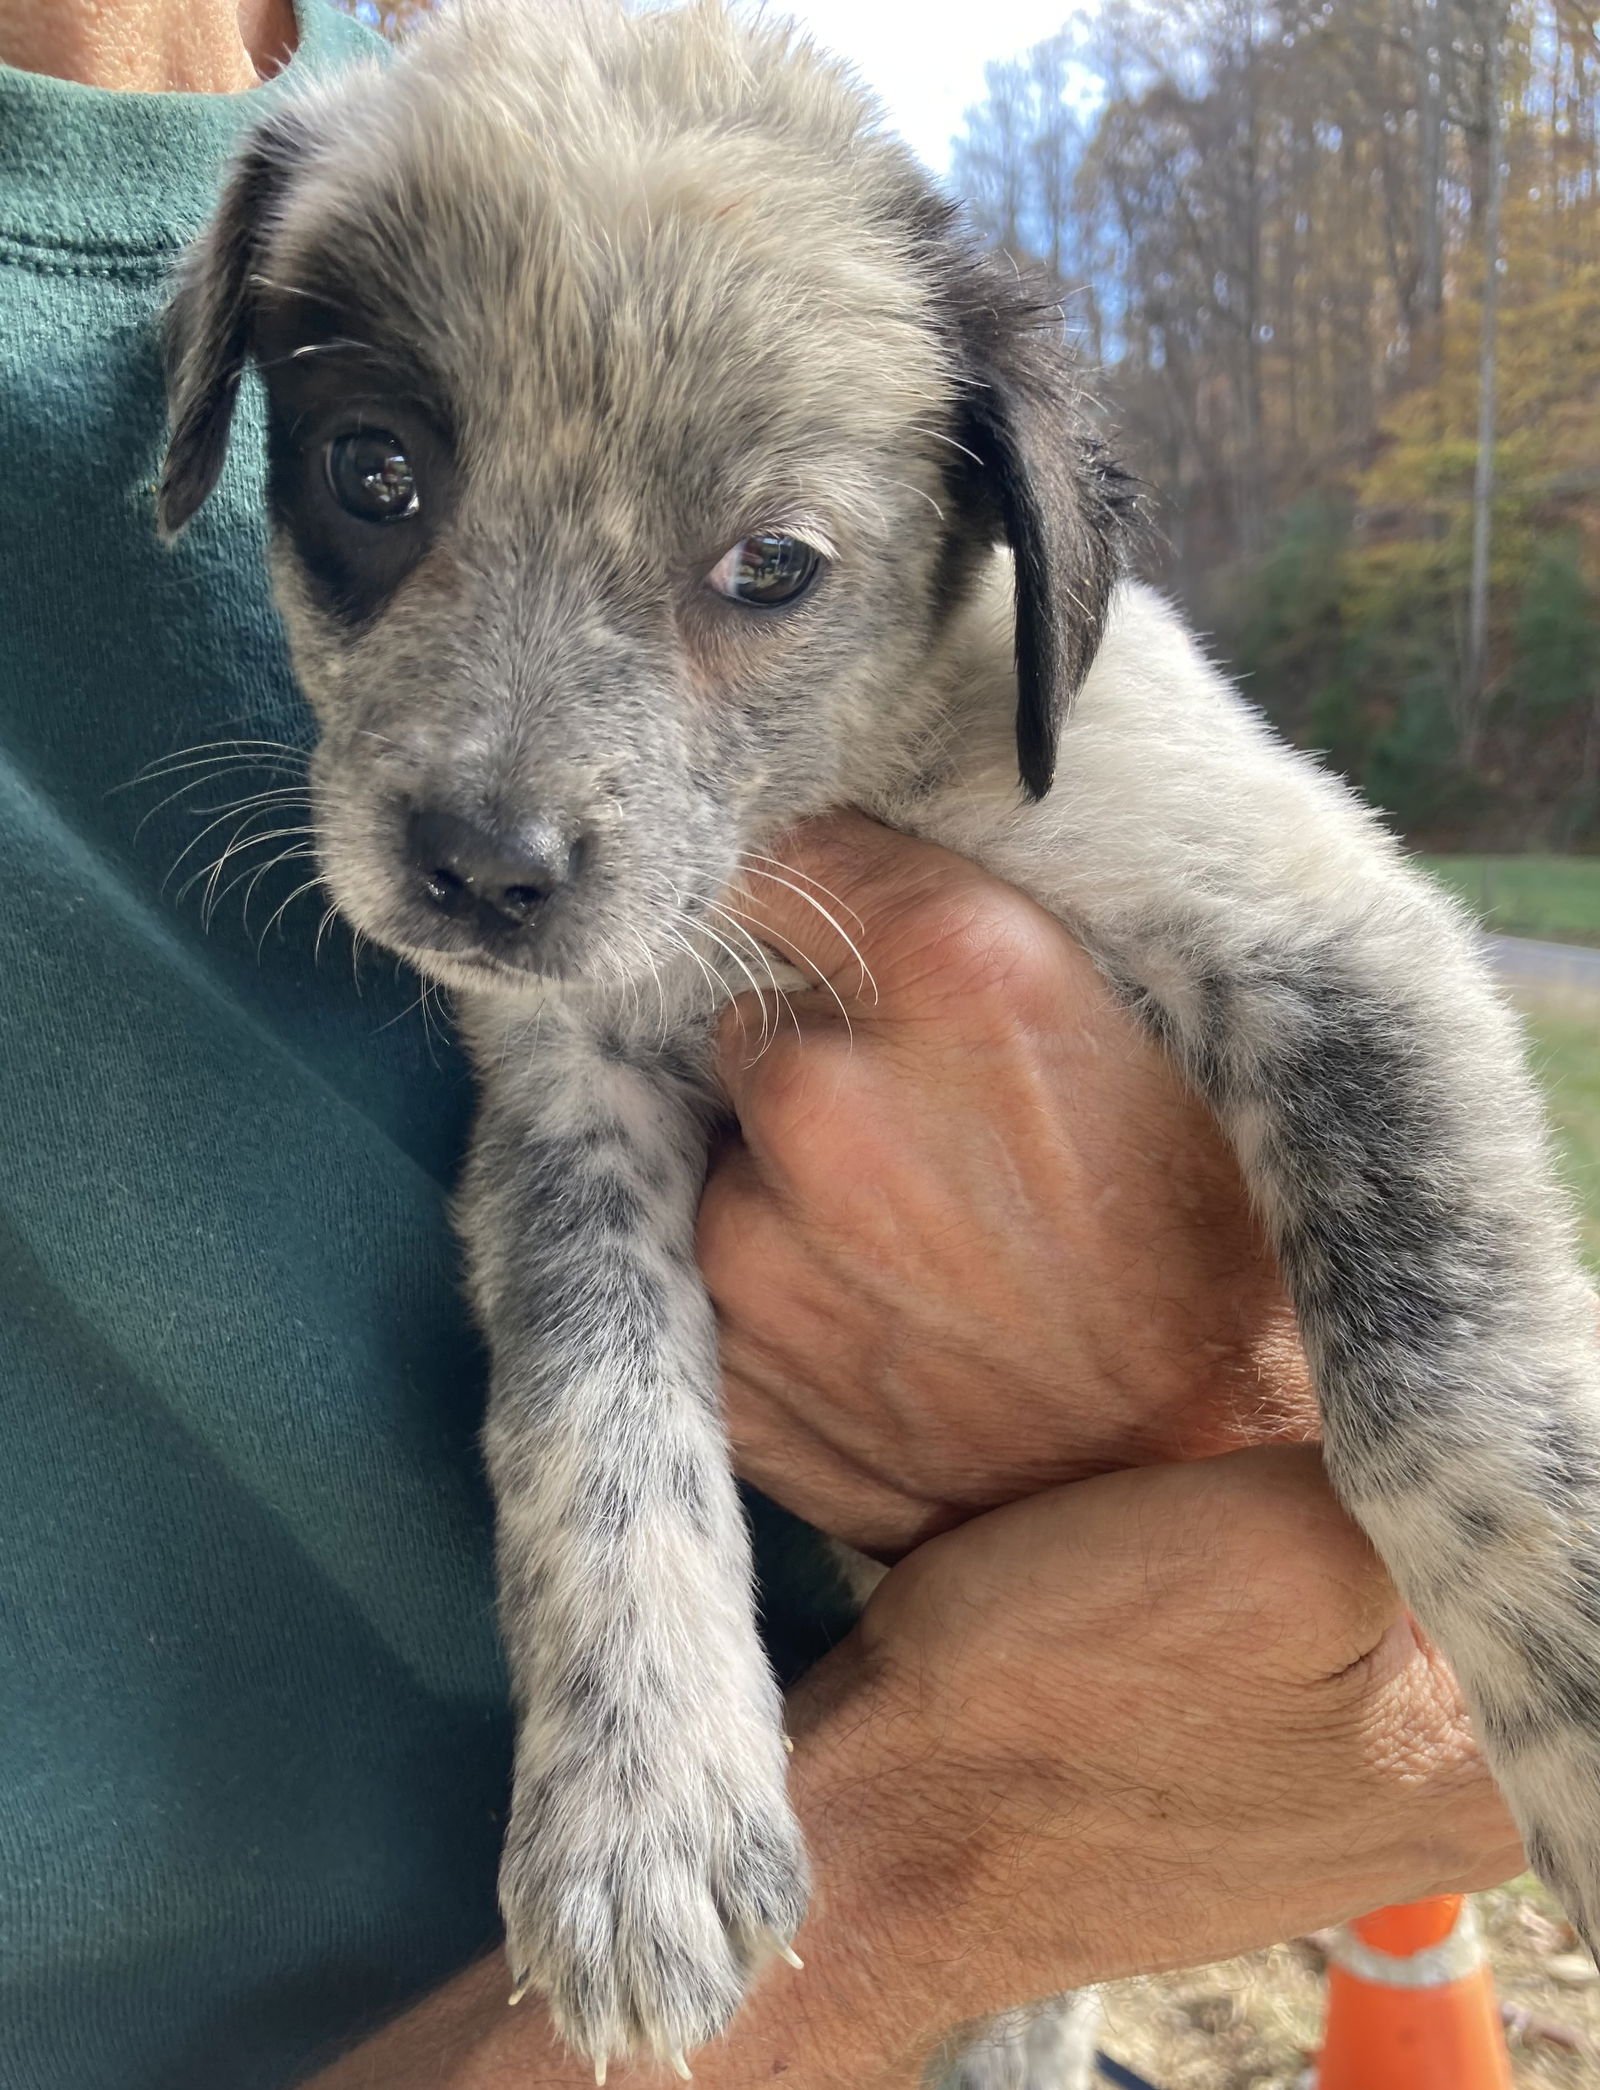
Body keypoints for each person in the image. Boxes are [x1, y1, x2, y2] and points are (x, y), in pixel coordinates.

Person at [0, 3, 1519, 2087]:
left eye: (761, 573)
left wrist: (1456, 1523)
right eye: (384, 478)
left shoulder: (997, 664)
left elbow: (1345, 972)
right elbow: (568, 1170)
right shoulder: (349, 187)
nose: (500, 794)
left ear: (1006, 549)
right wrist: (789, 1761)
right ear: (219, 409)